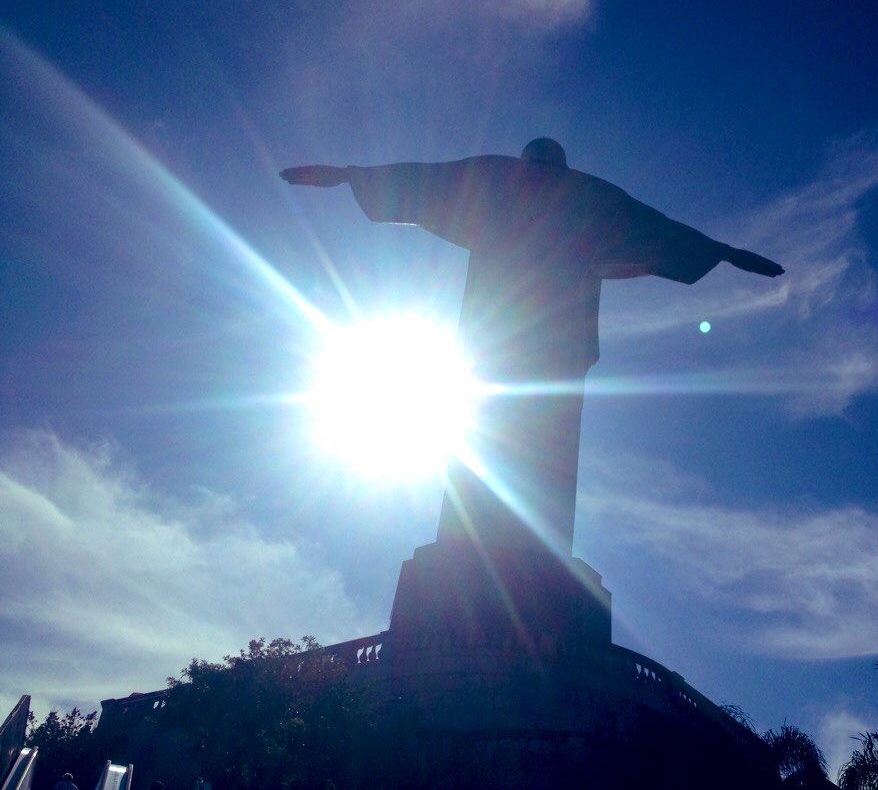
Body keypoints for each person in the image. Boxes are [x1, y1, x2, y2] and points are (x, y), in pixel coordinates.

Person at [282, 138, 784, 554]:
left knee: (524, 432)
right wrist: (724, 252)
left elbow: (422, 180)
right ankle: (489, 549)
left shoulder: (506, 179)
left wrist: (348, 174)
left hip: (514, 329)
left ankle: (508, 551)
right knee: (506, 429)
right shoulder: (582, 193)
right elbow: (656, 228)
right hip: (528, 334)